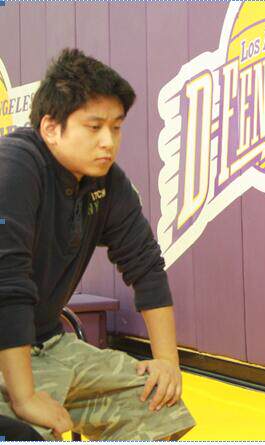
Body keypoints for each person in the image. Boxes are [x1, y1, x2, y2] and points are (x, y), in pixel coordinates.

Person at [0, 49, 196, 440]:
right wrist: (25, 397)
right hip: (7, 350)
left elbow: (146, 266)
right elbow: (7, 284)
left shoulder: (107, 182)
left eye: (116, 127)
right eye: (94, 127)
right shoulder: (15, 167)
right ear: (51, 128)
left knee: (159, 405)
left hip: (49, 343)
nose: (108, 142)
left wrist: (166, 364)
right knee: (28, 432)